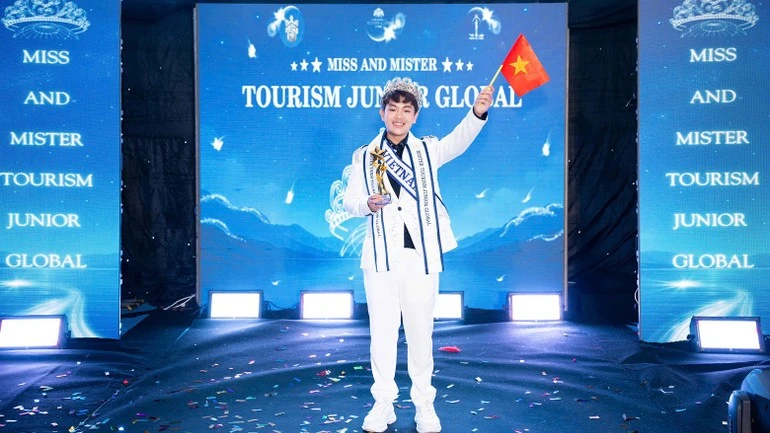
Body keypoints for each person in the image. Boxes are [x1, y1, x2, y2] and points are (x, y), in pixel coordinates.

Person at [343, 77, 494, 433]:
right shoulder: (365, 155)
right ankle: (383, 403)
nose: (399, 116)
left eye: (406, 110)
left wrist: (477, 112)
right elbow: (349, 201)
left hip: (420, 257)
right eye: (392, 109)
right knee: (381, 332)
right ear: (382, 113)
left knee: (420, 332)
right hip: (380, 256)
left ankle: (424, 404)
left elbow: (460, 140)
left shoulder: (428, 150)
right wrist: (366, 204)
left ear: (415, 116)